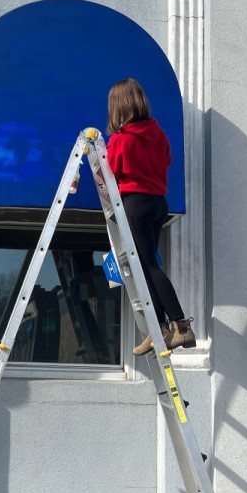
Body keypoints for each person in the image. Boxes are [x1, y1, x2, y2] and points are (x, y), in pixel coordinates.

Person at [106, 78, 196, 355]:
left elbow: (111, 171)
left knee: (148, 267)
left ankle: (180, 326)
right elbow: (166, 161)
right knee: (146, 266)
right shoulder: (158, 134)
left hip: (135, 203)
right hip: (158, 203)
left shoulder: (122, 140)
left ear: (118, 106)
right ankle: (160, 330)